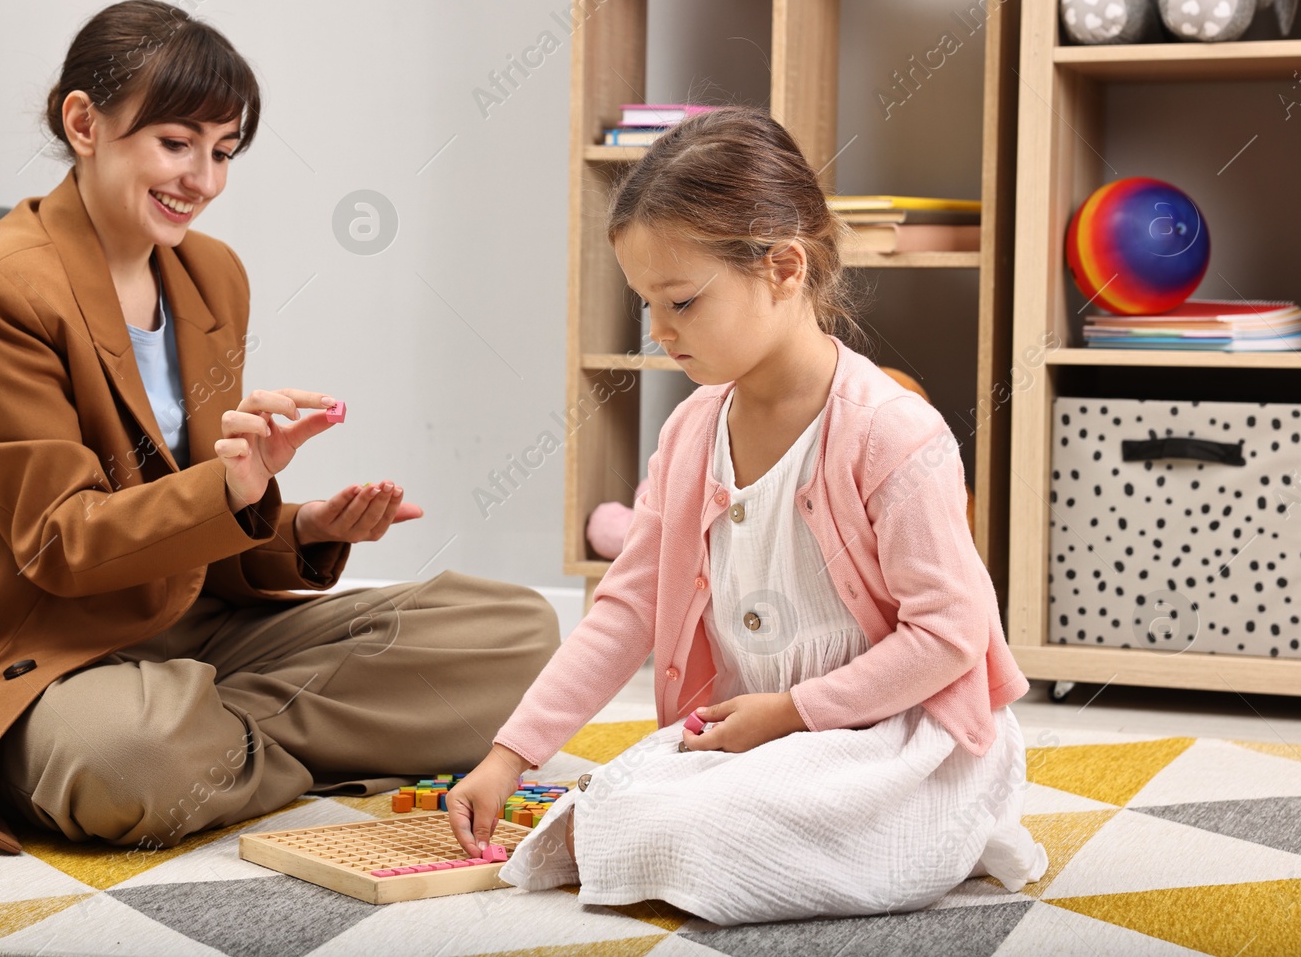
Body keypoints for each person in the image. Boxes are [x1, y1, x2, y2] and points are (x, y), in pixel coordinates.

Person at [0, 0, 559, 854]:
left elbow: (198, 520)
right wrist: (226, 490)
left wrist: (294, 522)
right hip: (40, 653)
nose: (205, 179)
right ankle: (187, 746)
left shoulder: (212, 275)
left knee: (520, 635)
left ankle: (214, 742)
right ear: (85, 122)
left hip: (194, 636)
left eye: (223, 151)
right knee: (130, 754)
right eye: (177, 143)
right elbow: (61, 542)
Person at [446, 106, 1047, 925]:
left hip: (893, 737)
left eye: (683, 302)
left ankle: (933, 831)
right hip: (751, 733)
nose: (660, 333)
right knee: (613, 808)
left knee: (700, 830)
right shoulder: (692, 431)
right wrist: (510, 755)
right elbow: (626, 608)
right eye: (645, 306)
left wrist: (794, 712)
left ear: (785, 268)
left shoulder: (892, 431)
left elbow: (948, 636)